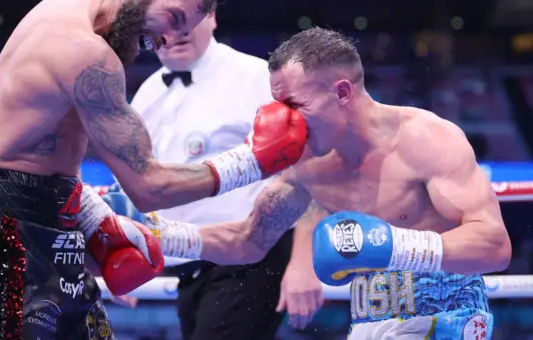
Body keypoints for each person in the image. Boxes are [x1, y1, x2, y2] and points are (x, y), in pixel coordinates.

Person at [0, 0, 307, 340]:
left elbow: (36, 154)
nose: (166, 40)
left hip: (47, 212)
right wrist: (254, 160)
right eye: (173, 17)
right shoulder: (85, 51)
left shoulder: (66, 9)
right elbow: (148, 186)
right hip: (5, 232)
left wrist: (91, 215)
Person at [135, 27, 512, 339]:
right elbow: (248, 241)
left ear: (342, 92)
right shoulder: (307, 166)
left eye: (295, 107)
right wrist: (161, 236)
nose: (287, 122)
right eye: (278, 108)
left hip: (449, 321)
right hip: (371, 325)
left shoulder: (424, 139)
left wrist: (395, 245)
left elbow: (494, 245)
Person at [128, 12, 324, 338]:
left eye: (183, 19)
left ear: (211, 16)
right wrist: (127, 260)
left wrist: (304, 260)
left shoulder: (257, 78)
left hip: (253, 261)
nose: (175, 32)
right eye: (164, 23)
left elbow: (310, 170)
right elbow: (140, 189)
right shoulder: (147, 95)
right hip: (187, 267)